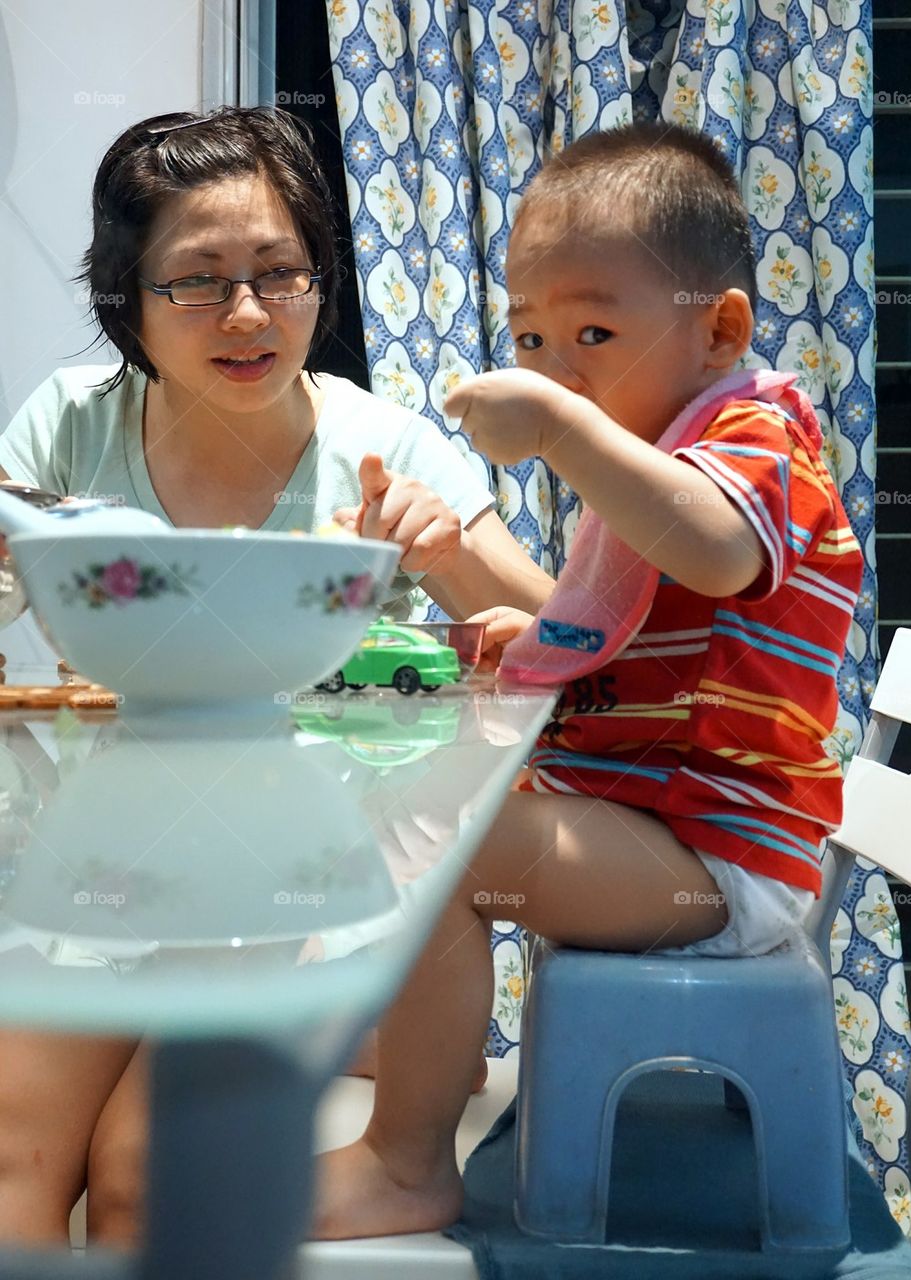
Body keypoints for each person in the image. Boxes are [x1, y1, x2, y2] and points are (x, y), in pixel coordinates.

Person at [0, 106, 552, 1248]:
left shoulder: (383, 446)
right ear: (127, 299)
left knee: (147, 1179)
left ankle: (351, 1032)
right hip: (108, 886)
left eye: (279, 273)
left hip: (305, 899)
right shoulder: (68, 429)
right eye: (196, 280)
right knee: (12, 1154)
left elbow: (563, 643)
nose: (247, 313)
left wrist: (444, 551)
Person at [313, 122, 864, 1239]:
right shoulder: (662, 451)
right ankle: (424, 1032)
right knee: (405, 769)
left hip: (719, 861)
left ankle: (406, 1157)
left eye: (592, 332)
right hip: (658, 828)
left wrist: (557, 425)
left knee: (444, 834)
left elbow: (712, 549)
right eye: (528, 337)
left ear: (718, 330)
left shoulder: (755, 432)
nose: (554, 366)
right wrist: (528, 631)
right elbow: (634, 641)